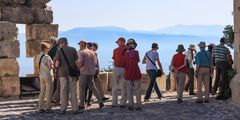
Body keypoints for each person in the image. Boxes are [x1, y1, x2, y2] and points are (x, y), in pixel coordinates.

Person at [77, 40, 104, 110]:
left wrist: (77, 67)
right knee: (93, 88)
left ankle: (81, 105)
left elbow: (80, 62)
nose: (79, 46)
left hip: (83, 73)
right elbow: (95, 63)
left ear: (82, 45)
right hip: (91, 73)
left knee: (82, 89)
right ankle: (100, 101)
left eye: (80, 44)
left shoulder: (82, 52)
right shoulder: (92, 53)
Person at [55, 37, 79, 114]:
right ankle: (75, 109)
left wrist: (55, 71)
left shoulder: (59, 51)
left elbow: (57, 63)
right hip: (72, 73)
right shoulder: (73, 49)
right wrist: (77, 71)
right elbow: (77, 62)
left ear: (62, 43)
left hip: (62, 73)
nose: (59, 45)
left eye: (59, 44)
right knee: (73, 90)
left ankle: (63, 109)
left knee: (63, 91)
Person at [35, 42, 54, 113]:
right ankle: (48, 108)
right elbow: (51, 66)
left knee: (42, 92)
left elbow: (37, 66)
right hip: (48, 75)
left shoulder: (37, 56)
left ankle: (40, 107)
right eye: (48, 48)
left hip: (41, 75)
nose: (48, 50)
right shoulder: (47, 57)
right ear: (45, 48)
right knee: (49, 92)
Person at [124, 39, 142, 110]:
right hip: (136, 73)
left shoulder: (125, 53)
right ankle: (139, 105)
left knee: (129, 90)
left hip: (128, 73)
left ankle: (131, 105)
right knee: (137, 90)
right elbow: (138, 60)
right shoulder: (136, 52)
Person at [111, 37, 127, 107]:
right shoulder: (128, 50)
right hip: (124, 69)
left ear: (120, 42)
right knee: (123, 87)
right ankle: (122, 103)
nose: (117, 43)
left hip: (116, 68)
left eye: (118, 42)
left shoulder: (115, 50)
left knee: (115, 86)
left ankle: (114, 103)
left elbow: (114, 59)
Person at [48, 37, 60, 105]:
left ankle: (54, 97)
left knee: (55, 84)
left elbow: (53, 59)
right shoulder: (58, 48)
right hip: (58, 68)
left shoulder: (54, 49)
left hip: (55, 68)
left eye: (50, 42)